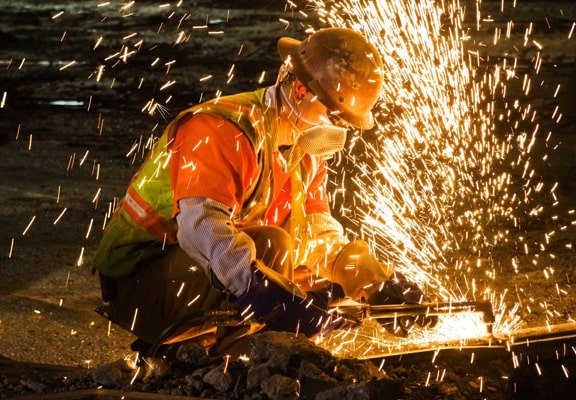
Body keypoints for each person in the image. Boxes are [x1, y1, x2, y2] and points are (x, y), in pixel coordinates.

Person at [94, 27, 432, 353]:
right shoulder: (223, 130)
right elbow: (201, 230)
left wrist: (369, 281)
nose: (337, 129)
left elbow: (315, 235)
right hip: (141, 288)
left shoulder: (304, 152)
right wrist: (266, 295)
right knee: (273, 248)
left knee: (312, 278)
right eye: (335, 116)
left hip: (192, 277)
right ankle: (225, 352)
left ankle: (223, 345)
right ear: (301, 90)